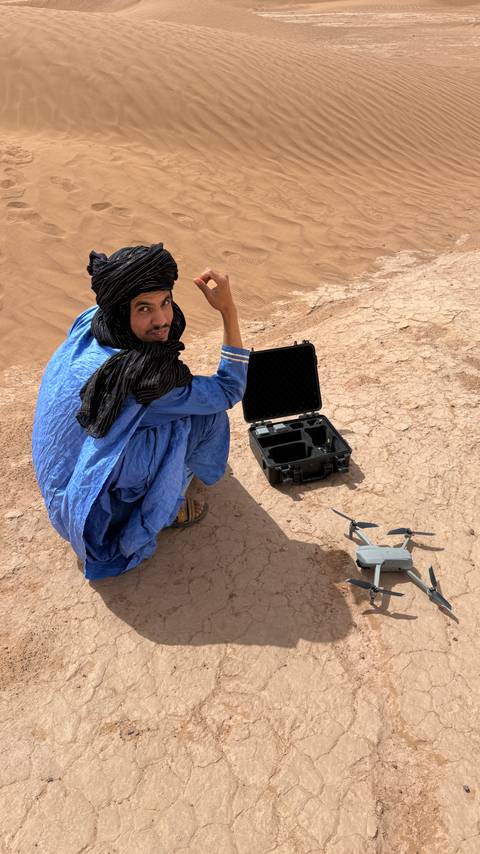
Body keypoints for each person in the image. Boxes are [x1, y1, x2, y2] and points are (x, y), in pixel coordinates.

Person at [32, 243, 250, 581]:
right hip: (90, 518)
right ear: (122, 311)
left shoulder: (93, 321)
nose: (162, 319)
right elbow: (228, 389)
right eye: (144, 309)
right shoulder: (144, 380)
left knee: (179, 409)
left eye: (165, 302)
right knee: (207, 416)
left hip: (61, 479)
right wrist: (228, 311)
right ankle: (165, 505)